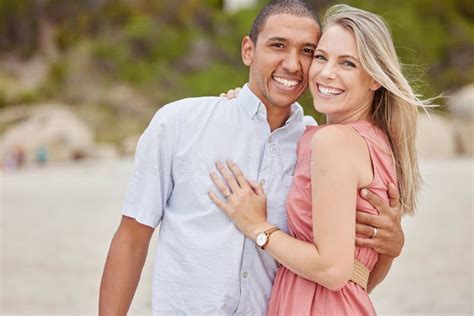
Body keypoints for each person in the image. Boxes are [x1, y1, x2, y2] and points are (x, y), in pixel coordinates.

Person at [99, 1, 404, 315]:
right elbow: (132, 240)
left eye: (308, 51)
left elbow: (343, 277)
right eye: (277, 46)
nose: (292, 64)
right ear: (248, 50)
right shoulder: (179, 124)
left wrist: (391, 247)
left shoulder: (316, 144)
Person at [208, 4, 426, 315]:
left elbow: (332, 271)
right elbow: (359, 277)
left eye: (348, 63)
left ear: (375, 78)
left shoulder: (333, 141)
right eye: (321, 57)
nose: (326, 73)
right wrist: (243, 102)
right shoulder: (377, 143)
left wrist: (257, 226)